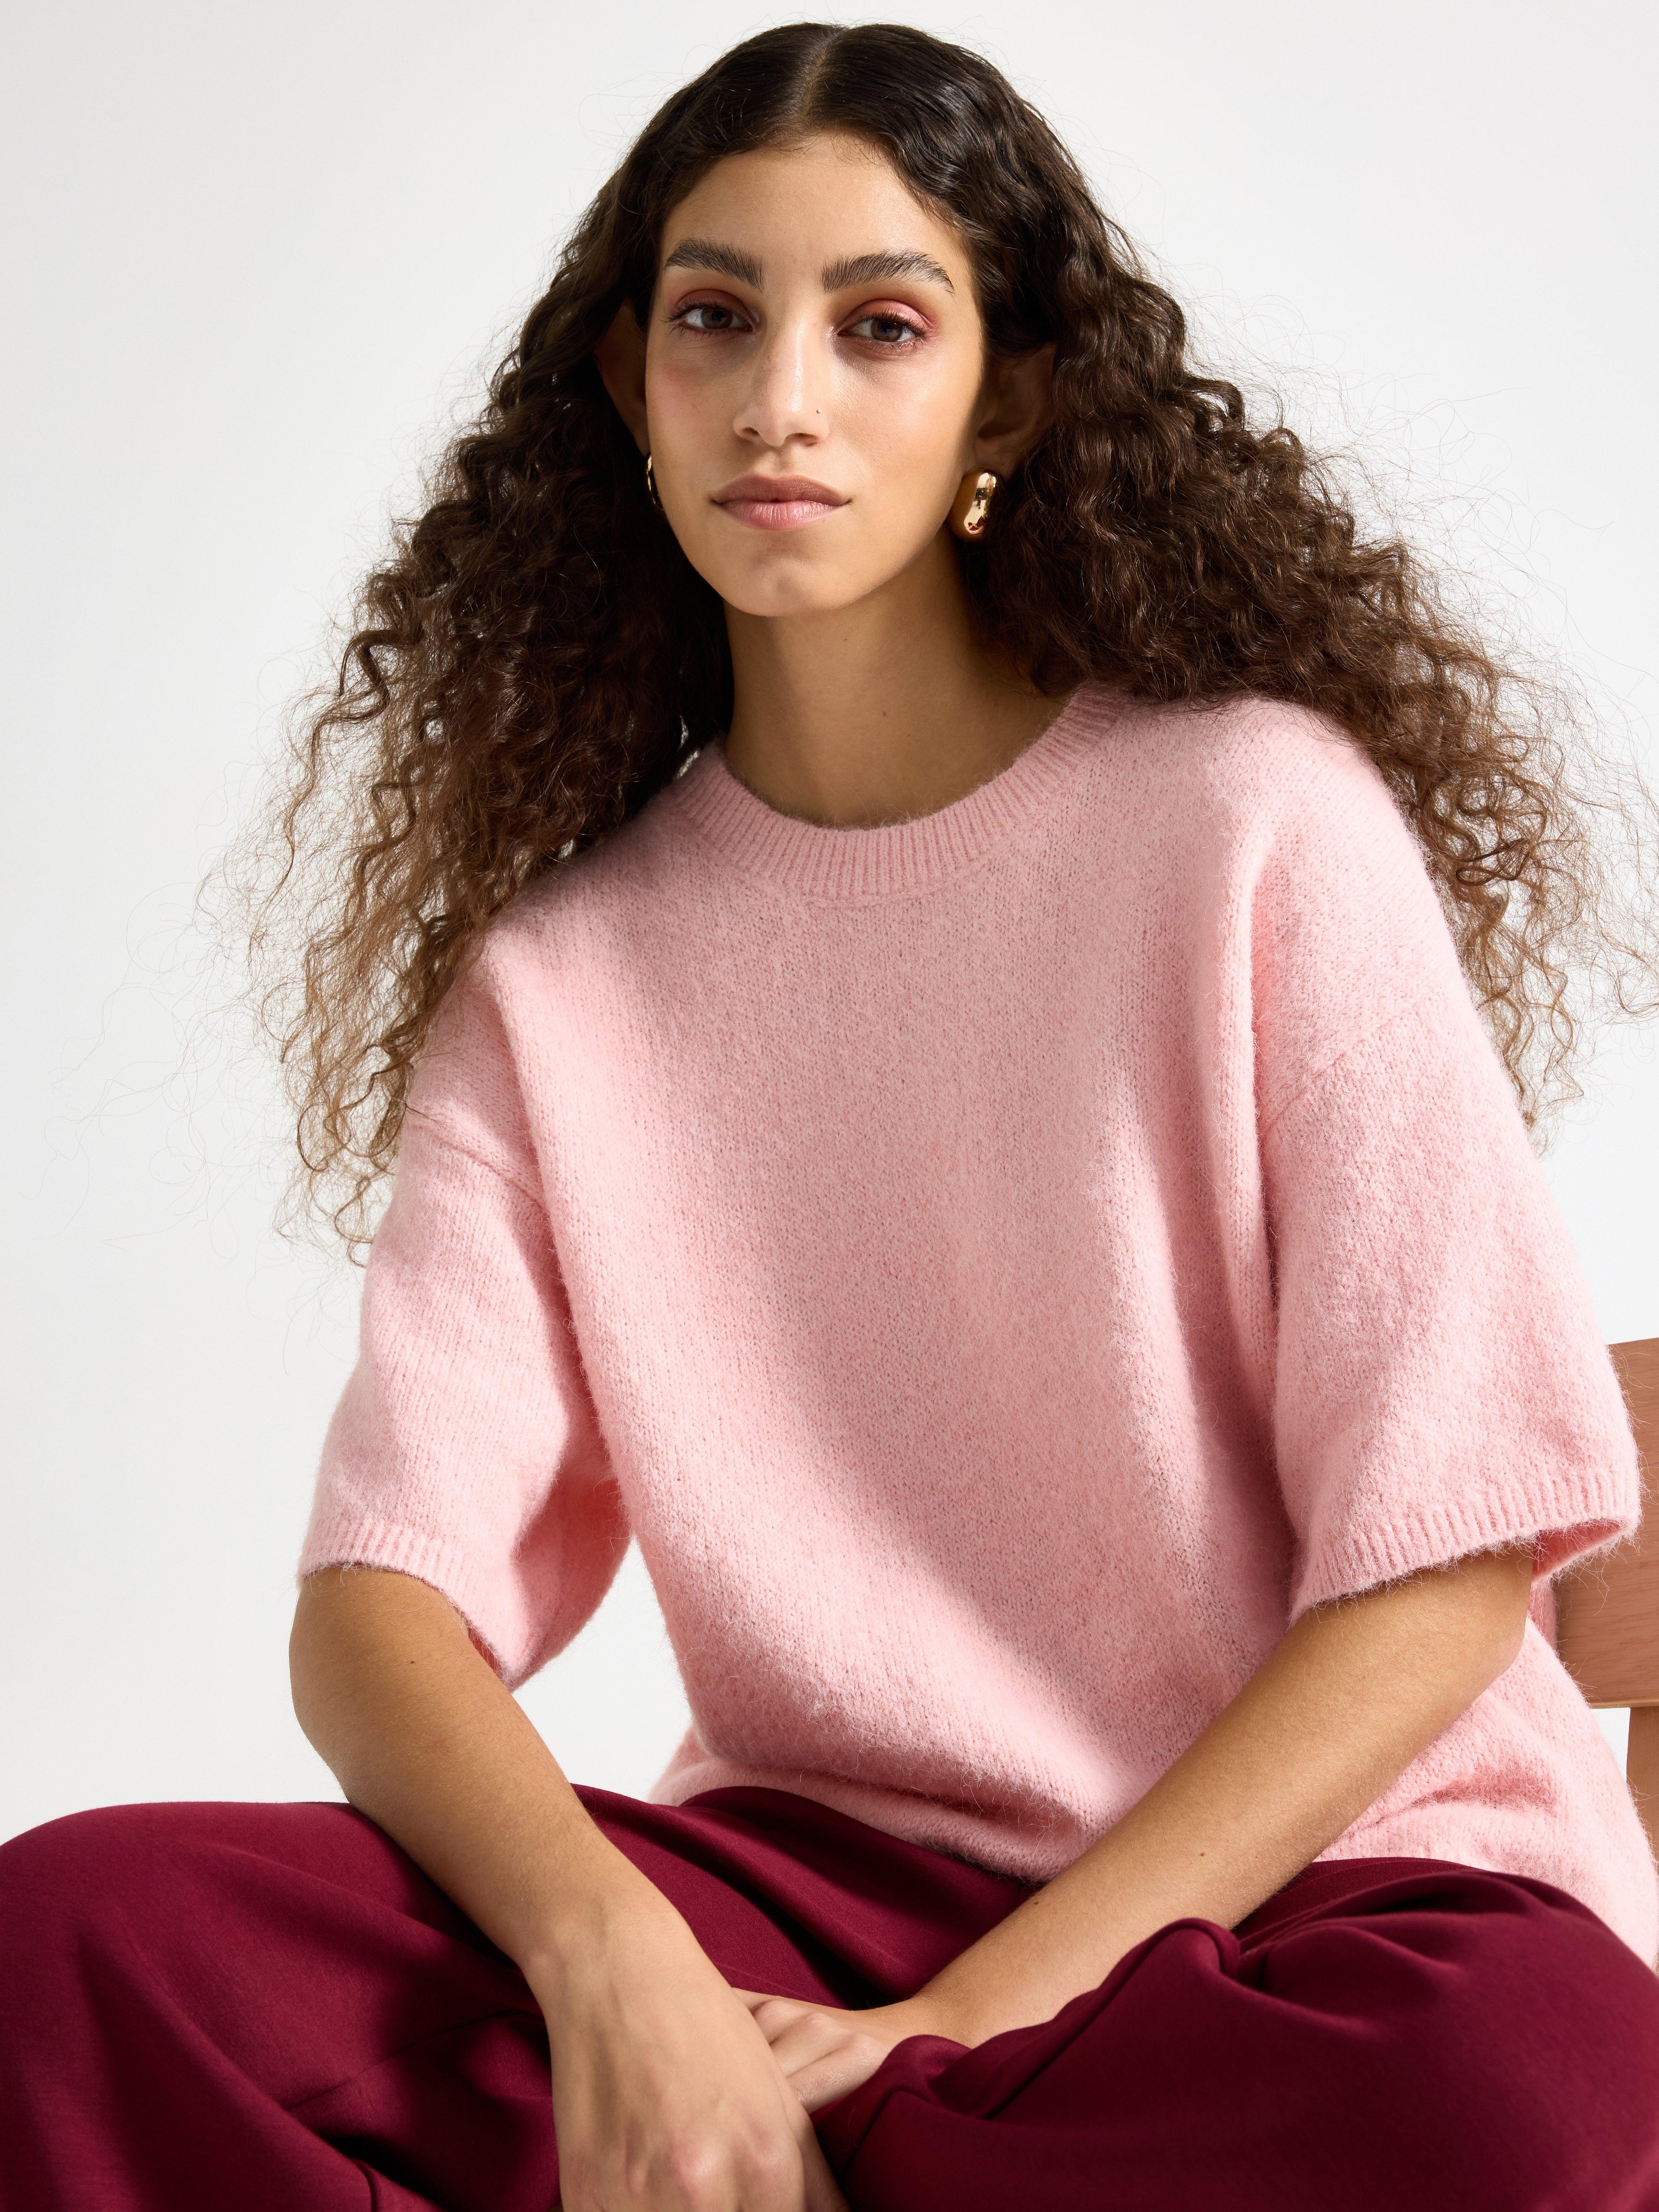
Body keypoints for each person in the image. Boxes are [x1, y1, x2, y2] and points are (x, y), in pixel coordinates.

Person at [4, 19, 1659, 2211]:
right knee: (72, 1941)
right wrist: (617, 1966)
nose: (778, 396)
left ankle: (813, 2154)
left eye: (879, 325)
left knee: (1523, 2087)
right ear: (630, 389)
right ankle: (817, 2145)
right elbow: (377, 1606)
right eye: (713, 319)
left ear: (1013, 397)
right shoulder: (564, 984)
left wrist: (958, 2025)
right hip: (805, 1901)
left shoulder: (1253, 823)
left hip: (1307, 1906)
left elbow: (1441, 1570)